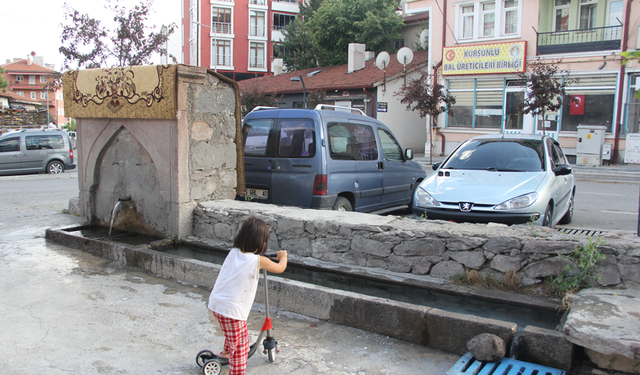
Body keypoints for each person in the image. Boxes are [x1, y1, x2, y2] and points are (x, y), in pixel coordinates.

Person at [208, 216, 288, 375]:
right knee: (241, 347)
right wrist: (283, 256)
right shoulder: (257, 261)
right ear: (260, 244)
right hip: (232, 311)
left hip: (217, 304)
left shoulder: (234, 252)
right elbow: (280, 268)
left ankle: (225, 352)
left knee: (232, 332)